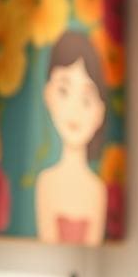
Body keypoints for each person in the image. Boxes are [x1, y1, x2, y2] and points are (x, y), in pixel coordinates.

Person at [35, 30, 107, 245]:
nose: (74, 109)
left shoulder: (97, 191)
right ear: (48, 94)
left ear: (99, 112)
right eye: (64, 91)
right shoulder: (46, 183)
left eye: (86, 99)